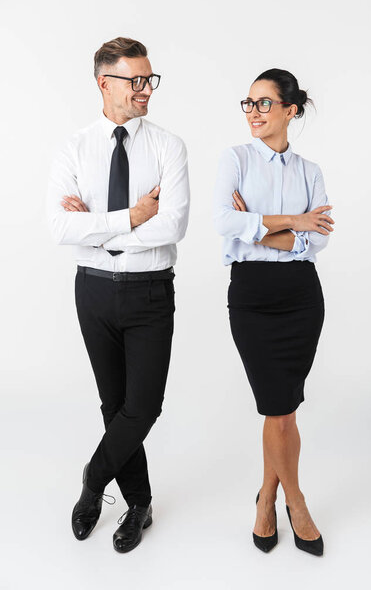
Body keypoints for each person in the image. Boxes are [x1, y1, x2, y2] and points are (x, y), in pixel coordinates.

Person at [46, 36, 190, 553]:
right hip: (94, 293)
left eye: (150, 79)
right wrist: (129, 217)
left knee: (142, 406)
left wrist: (94, 224)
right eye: (136, 80)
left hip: (150, 291)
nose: (146, 89)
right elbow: (60, 227)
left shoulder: (168, 146)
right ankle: (140, 504)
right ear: (104, 82)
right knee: (115, 405)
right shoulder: (75, 147)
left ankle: (93, 479)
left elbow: (172, 225)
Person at [213, 68, 334, 557]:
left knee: (283, 410)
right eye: (249, 103)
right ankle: (295, 502)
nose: (254, 113)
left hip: (303, 298)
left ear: (290, 110)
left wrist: (257, 228)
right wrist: (292, 224)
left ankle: (268, 498)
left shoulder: (310, 171)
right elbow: (223, 221)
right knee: (278, 408)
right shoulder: (235, 159)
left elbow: (320, 237)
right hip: (253, 297)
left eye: (264, 103)